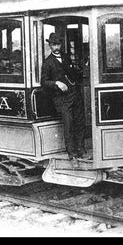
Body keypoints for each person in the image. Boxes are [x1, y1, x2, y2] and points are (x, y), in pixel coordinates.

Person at [41, 33, 88, 163]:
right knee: (68, 125)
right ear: (50, 45)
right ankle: (72, 155)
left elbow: (73, 74)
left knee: (80, 122)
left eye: (58, 44)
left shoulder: (66, 57)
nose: (56, 47)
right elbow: (44, 82)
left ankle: (81, 150)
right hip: (61, 99)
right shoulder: (48, 62)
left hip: (75, 95)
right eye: (53, 44)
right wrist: (56, 83)